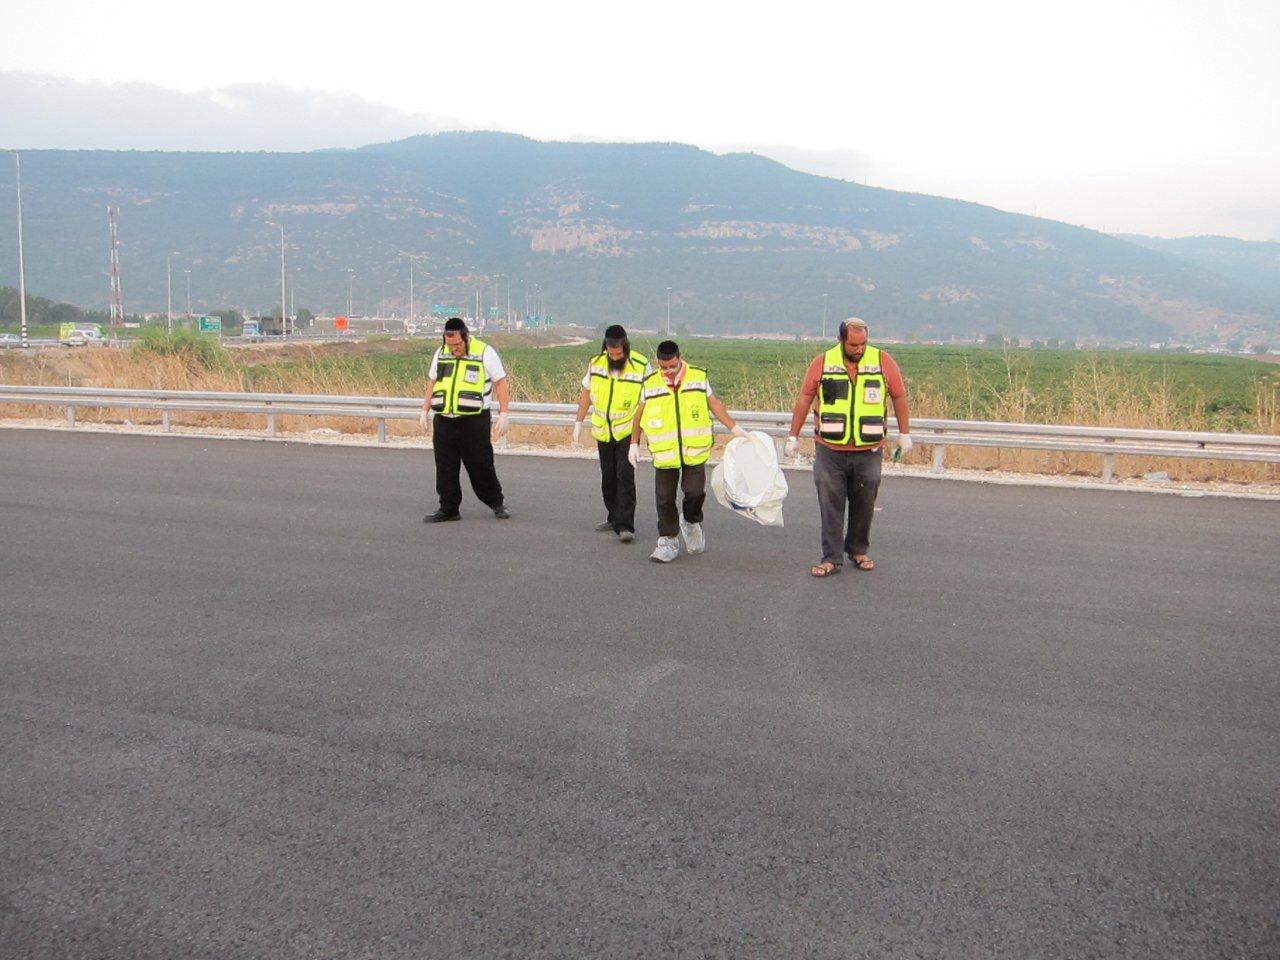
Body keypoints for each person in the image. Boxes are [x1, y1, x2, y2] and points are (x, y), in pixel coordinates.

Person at [784, 317, 911, 577]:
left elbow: (898, 395)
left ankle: (857, 550)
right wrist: (793, 436)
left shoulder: (882, 361)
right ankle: (831, 558)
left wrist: (904, 433)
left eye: (863, 344)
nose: (859, 349)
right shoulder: (822, 363)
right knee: (830, 504)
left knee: (865, 502)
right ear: (842, 340)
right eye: (853, 344)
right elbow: (804, 399)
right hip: (829, 449)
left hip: (869, 449)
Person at [629, 340, 748, 563]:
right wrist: (633, 443)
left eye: (672, 366)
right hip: (665, 453)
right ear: (658, 364)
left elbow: (714, 404)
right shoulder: (650, 384)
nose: (668, 372)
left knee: (694, 493)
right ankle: (667, 541)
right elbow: (639, 415)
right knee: (664, 499)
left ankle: (691, 521)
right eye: (663, 367)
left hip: (694, 450)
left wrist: (734, 428)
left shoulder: (698, 378)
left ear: (680, 359)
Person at [419, 317, 511, 522]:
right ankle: (449, 508)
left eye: (458, 344)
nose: (454, 349)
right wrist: (424, 410)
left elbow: (501, 383)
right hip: (444, 419)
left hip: (474, 420)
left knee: (480, 464)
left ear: (466, 337)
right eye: (450, 345)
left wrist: (504, 413)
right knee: (445, 466)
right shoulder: (441, 352)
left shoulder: (485, 352)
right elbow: (432, 381)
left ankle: (496, 502)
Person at [572, 325, 649, 543]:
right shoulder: (596, 364)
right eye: (611, 353)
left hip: (627, 429)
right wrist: (579, 421)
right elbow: (586, 392)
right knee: (608, 477)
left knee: (624, 476)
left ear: (625, 347)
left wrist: (639, 438)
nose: (614, 357)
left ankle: (625, 525)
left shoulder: (641, 366)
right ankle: (613, 516)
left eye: (618, 353)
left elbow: (648, 401)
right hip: (603, 430)